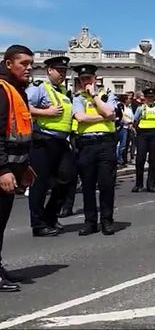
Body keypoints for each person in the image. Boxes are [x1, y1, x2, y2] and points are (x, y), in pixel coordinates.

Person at [26, 56, 76, 237]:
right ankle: (38, 224)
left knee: (68, 178)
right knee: (39, 183)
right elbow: (24, 106)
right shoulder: (40, 88)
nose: (62, 74)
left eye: (64, 71)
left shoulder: (64, 92)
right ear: (49, 71)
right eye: (59, 71)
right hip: (43, 140)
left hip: (61, 141)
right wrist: (46, 112)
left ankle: (50, 216)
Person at [0, 45, 35, 292]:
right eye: (23, 63)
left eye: (31, 63)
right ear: (9, 64)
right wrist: (2, 169)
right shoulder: (2, 90)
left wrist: (24, 166)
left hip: (14, 167)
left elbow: (19, 133)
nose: (29, 68)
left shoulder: (17, 90)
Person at [72, 64, 118, 236]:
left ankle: (107, 221)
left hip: (106, 143)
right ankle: (90, 222)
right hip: (87, 144)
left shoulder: (107, 95)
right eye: (82, 79)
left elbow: (111, 111)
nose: (85, 82)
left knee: (106, 184)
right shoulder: (78, 98)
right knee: (88, 185)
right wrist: (103, 116)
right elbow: (80, 117)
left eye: (88, 79)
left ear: (95, 79)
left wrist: (95, 97)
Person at [132, 88, 155, 193]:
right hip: (142, 134)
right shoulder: (140, 108)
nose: (150, 99)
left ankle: (151, 184)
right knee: (140, 159)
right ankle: (138, 184)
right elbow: (135, 120)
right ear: (145, 98)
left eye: (152, 97)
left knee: (152, 160)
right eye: (148, 97)